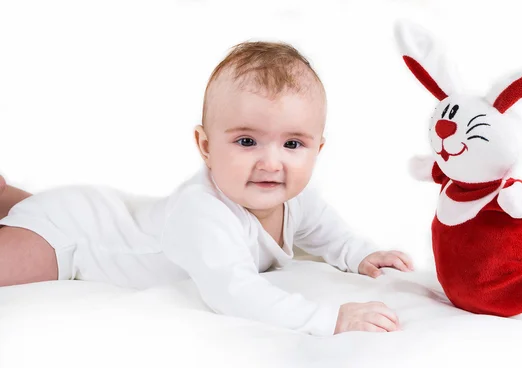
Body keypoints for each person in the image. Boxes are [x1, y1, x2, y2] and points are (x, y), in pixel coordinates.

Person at [0, 41, 414, 336]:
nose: (271, 163)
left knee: (44, 211)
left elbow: (328, 233)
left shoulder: (296, 198)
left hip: (95, 210)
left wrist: (359, 254)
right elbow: (235, 294)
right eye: (247, 141)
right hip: (71, 240)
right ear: (206, 146)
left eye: (293, 144)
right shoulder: (204, 213)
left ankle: (8, 197)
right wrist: (330, 319)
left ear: (317, 149)